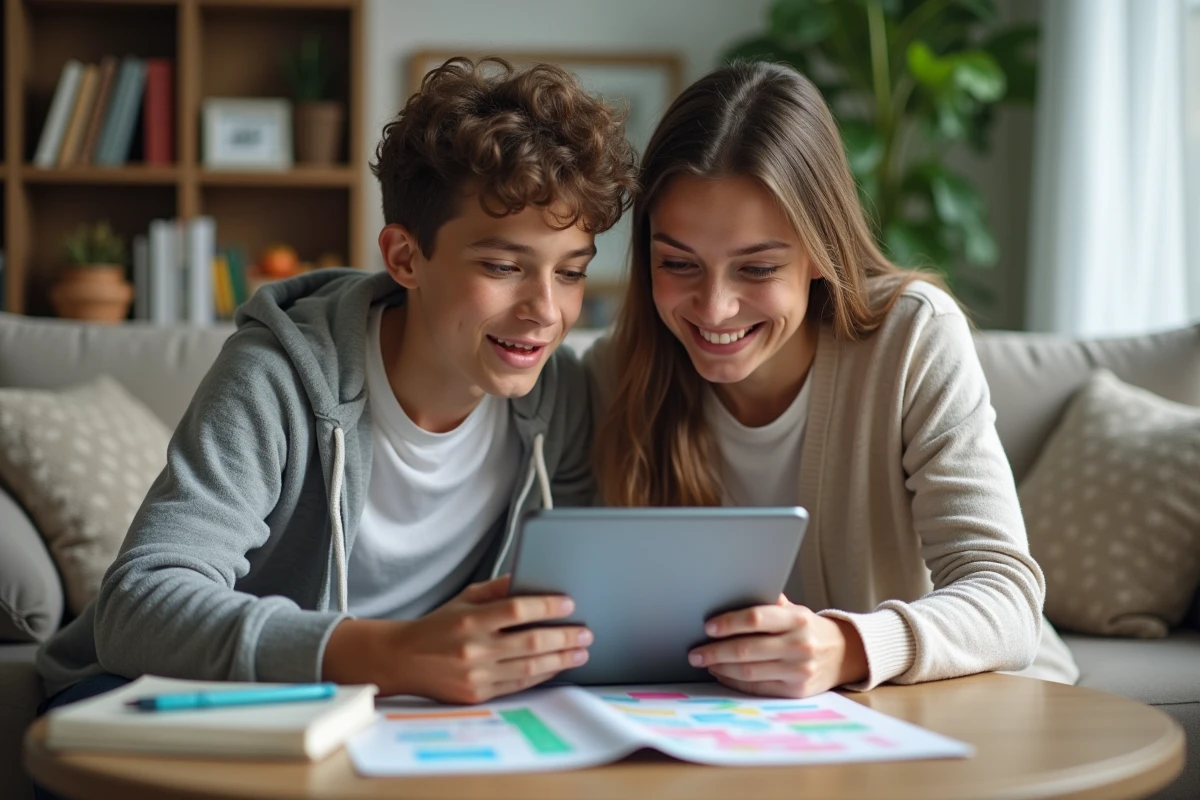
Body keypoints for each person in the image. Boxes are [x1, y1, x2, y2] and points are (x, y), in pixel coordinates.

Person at [37, 57, 638, 709]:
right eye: (502, 266)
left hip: (410, 718)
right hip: (197, 699)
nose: (546, 311)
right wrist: (390, 656)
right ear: (405, 257)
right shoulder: (277, 379)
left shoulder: (559, 399)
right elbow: (139, 606)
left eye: (571, 273)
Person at [590, 61, 1078, 698]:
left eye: (756, 268)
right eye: (678, 264)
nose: (714, 308)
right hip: (746, 719)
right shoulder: (613, 372)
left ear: (819, 250)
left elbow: (1008, 602)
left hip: (954, 698)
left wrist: (847, 646)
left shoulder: (913, 337)